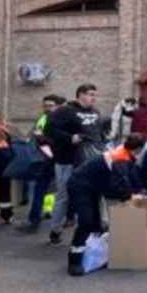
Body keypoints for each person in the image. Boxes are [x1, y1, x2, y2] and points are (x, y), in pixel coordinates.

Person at [65, 133, 144, 276]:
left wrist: (138, 191)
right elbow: (119, 184)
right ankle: (74, 262)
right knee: (86, 221)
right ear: (138, 149)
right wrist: (130, 195)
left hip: (93, 186)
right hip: (80, 185)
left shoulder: (125, 154)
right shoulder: (120, 157)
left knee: (95, 223)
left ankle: (94, 254)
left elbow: (131, 177)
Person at [44, 84, 104, 247]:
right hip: (67, 160)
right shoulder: (65, 111)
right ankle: (55, 231)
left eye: (95, 95)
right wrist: (70, 137)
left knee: (91, 195)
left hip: (90, 162)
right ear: (80, 95)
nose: (94, 98)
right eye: (91, 94)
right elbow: (48, 130)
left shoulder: (95, 112)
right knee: (64, 196)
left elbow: (98, 133)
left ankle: (89, 230)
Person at [20, 95, 64, 234]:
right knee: (42, 188)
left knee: (61, 190)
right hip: (48, 159)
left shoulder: (62, 120)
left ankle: (59, 220)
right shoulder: (44, 118)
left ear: (58, 106)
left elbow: (54, 139)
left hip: (58, 159)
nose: (47, 108)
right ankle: (35, 219)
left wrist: (41, 138)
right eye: (45, 106)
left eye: (50, 105)